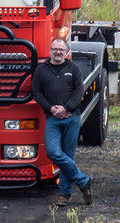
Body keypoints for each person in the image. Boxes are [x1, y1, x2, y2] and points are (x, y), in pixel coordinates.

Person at [32, 38, 94, 206]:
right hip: (52, 118)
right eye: (54, 49)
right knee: (53, 152)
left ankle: (64, 194)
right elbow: (37, 92)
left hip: (71, 117)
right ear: (50, 50)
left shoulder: (73, 68)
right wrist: (52, 109)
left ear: (65, 51)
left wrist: (66, 108)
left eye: (61, 49)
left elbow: (79, 91)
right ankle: (83, 181)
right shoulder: (41, 70)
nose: (58, 52)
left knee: (68, 156)